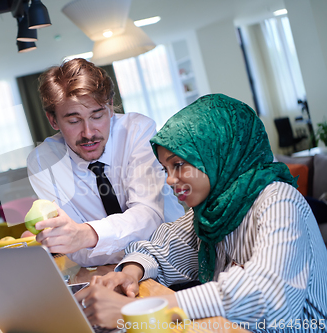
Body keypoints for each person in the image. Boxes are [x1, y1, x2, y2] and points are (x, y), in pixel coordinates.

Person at [75, 94, 327, 330]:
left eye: (179, 165)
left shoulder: (279, 201)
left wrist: (138, 310)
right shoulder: (212, 210)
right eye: (166, 169)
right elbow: (160, 249)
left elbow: (265, 295)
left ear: (216, 152)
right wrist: (130, 273)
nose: (169, 180)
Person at [24, 58, 184, 266]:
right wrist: (79, 240)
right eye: (73, 121)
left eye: (97, 116)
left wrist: (87, 235)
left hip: (173, 263)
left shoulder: (137, 131)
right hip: (105, 273)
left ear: (110, 107)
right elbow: (74, 248)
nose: (88, 133)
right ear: (53, 120)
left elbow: (149, 215)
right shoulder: (43, 162)